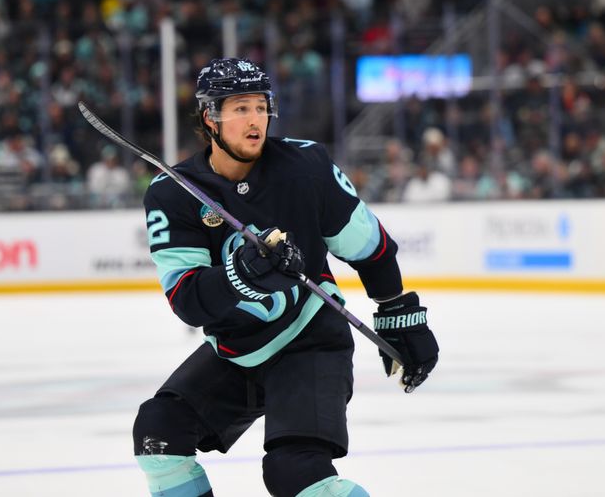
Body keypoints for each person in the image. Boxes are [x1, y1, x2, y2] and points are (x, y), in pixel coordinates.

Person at [134, 58, 439, 497]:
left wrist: (396, 309)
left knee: (293, 472)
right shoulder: (173, 194)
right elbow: (187, 300)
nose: (255, 120)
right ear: (210, 117)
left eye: (260, 107)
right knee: (157, 434)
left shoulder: (305, 166)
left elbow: (370, 248)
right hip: (237, 350)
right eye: (240, 108)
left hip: (310, 341)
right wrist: (241, 277)